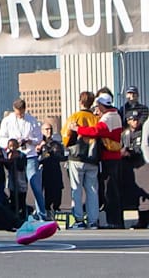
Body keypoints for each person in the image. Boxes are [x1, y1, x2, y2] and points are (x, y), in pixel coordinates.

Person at [76, 93, 124, 228]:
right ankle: (115, 220)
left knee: (110, 190)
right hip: (114, 157)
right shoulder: (116, 115)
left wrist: (78, 129)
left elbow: (96, 131)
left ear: (102, 106)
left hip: (109, 158)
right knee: (112, 189)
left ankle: (113, 221)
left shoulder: (108, 118)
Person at [0, 98, 49, 221]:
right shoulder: (7, 121)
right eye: (17, 112)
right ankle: (18, 213)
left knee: (35, 184)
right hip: (15, 156)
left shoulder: (31, 120)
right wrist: (11, 144)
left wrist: (30, 140)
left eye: (21, 112)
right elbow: (1, 139)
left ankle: (42, 214)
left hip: (30, 154)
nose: (20, 114)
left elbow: (39, 138)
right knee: (16, 186)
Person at [63, 91, 102, 228]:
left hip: (76, 157)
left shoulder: (74, 117)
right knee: (92, 190)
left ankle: (79, 220)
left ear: (80, 101)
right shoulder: (96, 119)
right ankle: (93, 220)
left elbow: (65, 137)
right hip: (92, 158)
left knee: (76, 189)